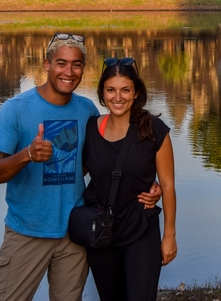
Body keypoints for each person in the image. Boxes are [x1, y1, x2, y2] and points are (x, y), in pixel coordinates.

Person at [0, 34, 160, 301]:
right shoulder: (15, 110)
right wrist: (27, 154)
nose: (69, 72)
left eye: (76, 64)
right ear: (47, 64)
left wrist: (148, 187)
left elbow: (107, 160)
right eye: (61, 63)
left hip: (75, 234)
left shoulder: (87, 109)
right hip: (28, 232)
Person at [82, 57, 177, 301]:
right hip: (102, 234)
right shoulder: (91, 129)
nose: (118, 97)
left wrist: (169, 236)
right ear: (102, 93)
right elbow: (81, 172)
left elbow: (167, 185)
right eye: (111, 90)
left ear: (136, 93)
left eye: (125, 90)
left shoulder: (154, 130)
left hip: (140, 231)